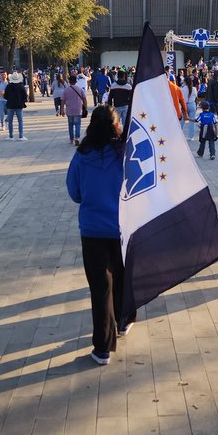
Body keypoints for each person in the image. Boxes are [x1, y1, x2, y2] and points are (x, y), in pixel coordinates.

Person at [66, 105, 128, 364]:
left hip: (92, 230)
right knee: (123, 276)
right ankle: (124, 321)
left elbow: (74, 192)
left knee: (100, 288)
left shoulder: (81, 155)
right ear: (116, 125)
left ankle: (102, 348)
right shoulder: (125, 153)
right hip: (124, 226)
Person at [60, 75, 89, 144]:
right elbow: (84, 99)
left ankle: (71, 139)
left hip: (69, 110)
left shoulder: (66, 90)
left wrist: (62, 110)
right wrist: (85, 108)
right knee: (78, 124)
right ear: (76, 81)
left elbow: (62, 101)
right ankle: (77, 138)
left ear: (69, 82)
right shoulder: (79, 89)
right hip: (78, 109)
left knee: (70, 125)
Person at [4, 69, 28, 140]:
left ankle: (11, 136)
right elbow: (25, 96)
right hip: (19, 105)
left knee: (10, 121)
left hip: (10, 105)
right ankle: (21, 136)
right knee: (20, 121)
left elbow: (5, 96)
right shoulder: (21, 86)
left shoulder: (8, 86)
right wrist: (22, 100)